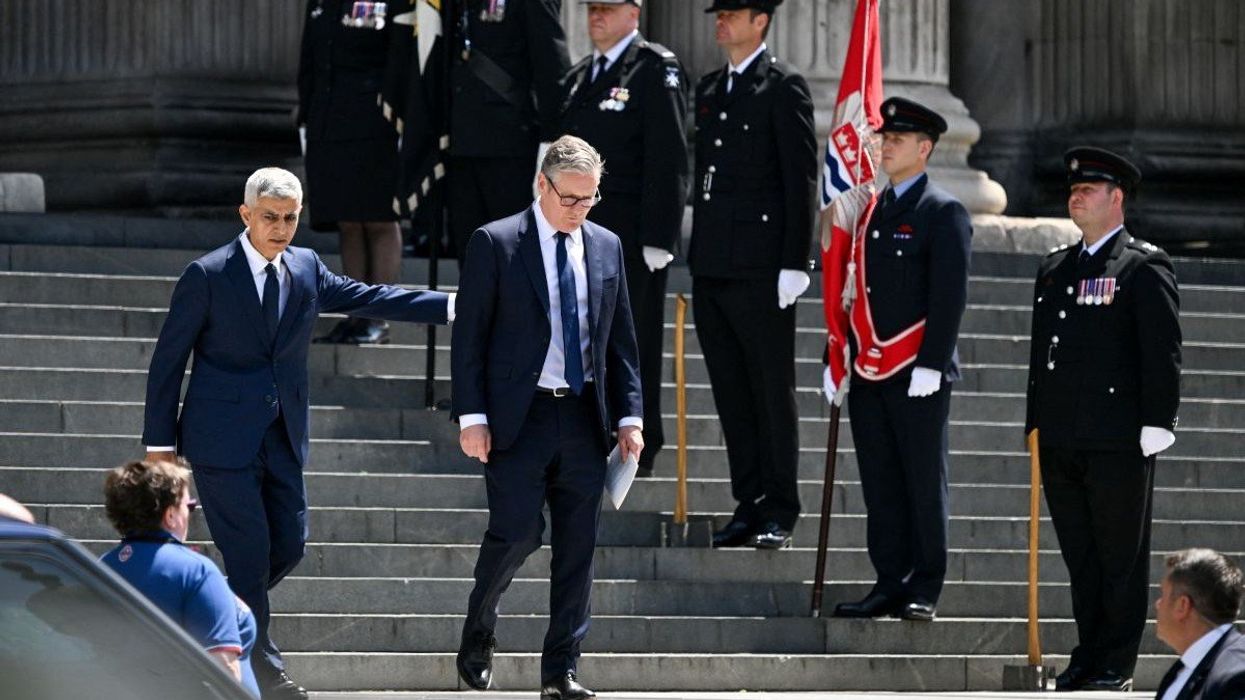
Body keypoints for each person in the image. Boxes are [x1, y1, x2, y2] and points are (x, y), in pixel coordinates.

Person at [141, 167, 453, 700]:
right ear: (245, 215)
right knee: (249, 552)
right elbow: (168, 362)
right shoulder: (207, 274)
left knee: (288, 546)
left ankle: (212, 611)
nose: (282, 228)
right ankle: (267, 676)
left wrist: (451, 305)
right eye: (270, 217)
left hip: (283, 435)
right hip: (219, 441)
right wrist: (159, 448)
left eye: (290, 217)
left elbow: (369, 297)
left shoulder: (306, 266)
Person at [451, 135, 643, 700]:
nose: (580, 210)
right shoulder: (497, 242)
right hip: (520, 414)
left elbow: (622, 342)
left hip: (584, 415)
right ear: (542, 184)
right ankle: (479, 632)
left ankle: (561, 671)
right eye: (570, 199)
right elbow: (470, 339)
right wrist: (471, 417)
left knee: (578, 546)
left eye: (590, 199)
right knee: (516, 532)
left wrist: (630, 416)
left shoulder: (606, 246)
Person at [1024, 146, 1182, 692]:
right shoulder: (1056, 268)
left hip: (1118, 438)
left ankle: (1115, 661)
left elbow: (1161, 350)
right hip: (1063, 436)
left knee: (1118, 557)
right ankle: (1088, 653)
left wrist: (1158, 420)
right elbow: (1041, 356)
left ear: (1117, 199)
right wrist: (1033, 423)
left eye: (1088, 189)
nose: (1076, 195)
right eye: (1073, 189)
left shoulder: (1142, 266)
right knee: (1081, 556)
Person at [830, 97, 972, 623]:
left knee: (920, 480)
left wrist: (933, 363)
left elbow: (948, 295)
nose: (885, 146)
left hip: (918, 371)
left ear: (925, 148)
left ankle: (925, 584)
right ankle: (889, 581)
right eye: (884, 138)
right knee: (882, 483)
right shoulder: (873, 210)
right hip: (871, 369)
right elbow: (857, 288)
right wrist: (843, 353)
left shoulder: (943, 211)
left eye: (896, 140)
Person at [689, 0, 817, 550]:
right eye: (718, 14)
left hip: (764, 267)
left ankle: (779, 506)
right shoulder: (711, 87)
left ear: (760, 20)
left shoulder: (783, 86)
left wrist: (796, 261)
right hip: (714, 261)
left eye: (732, 13)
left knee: (769, 389)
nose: (720, 21)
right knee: (731, 392)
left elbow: (800, 180)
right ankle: (748, 500)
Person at [557, 0, 688, 477]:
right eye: (592, 9)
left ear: (634, 14)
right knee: (588, 337)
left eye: (608, 9)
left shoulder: (655, 70)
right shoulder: (581, 76)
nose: (597, 17)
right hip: (580, 234)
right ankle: (593, 435)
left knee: (632, 344)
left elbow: (669, 154)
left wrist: (660, 235)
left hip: (631, 237)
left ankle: (639, 446)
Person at [99, 460, 261, 698]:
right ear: (171, 515)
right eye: (189, 506)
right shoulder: (197, 571)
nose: (190, 512)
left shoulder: (102, 567)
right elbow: (224, 670)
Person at [298, 0, 405, 345]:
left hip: (376, 123)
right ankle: (355, 315)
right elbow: (311, 59)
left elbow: (400, 59)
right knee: (348, 221)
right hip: (330, 120)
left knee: (377, 219)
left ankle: (379, 317)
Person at [447, 0, 572, 266]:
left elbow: (552, 65)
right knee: (471, 255)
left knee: (513, 254)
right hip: (462, 143)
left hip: (510, 145)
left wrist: (551, 145)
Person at [1154, 549, 1245, 700]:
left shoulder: (1235, 674)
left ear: (1182, 605)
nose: (1158, 605)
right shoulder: (1182, 670)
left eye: (1163, 595)